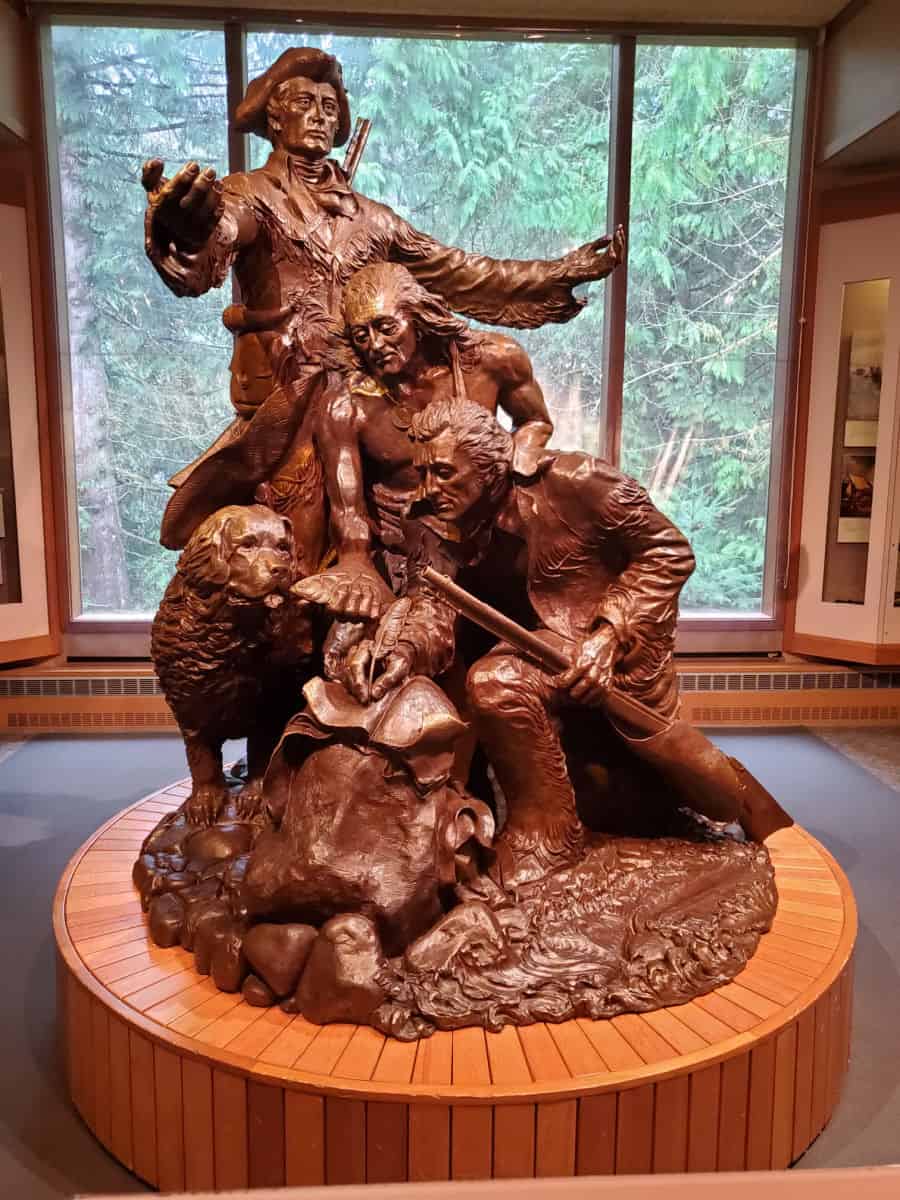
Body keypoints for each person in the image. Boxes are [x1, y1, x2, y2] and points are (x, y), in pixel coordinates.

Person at [140, 46, 624, 555]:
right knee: (296, 547)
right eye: (304, 102)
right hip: (290, 408)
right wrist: (187, 230)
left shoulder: (371, 217)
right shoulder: (248, 194)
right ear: (275, 117)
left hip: (368, 404)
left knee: (401, 539)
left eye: (329, 107)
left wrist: (558, 272)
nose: (319, 116)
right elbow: (218, 230)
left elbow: (459, 271)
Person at [342, 398, 788, 887]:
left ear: (490, 465)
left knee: (678, 790)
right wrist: (401, 651)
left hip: (615, 656)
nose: (431, 489)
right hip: (525, 658)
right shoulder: (427, 519)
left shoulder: (576, 482)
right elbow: (432, 605)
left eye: (446, 473)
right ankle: (545, 839)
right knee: (495, 683)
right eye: (424, 473)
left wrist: (609, 634)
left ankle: (738, 794)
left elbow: (667, 551)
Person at [318, 261, 554, 612]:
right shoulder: (346, 408)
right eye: (362, 336)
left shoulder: (494, 360)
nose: (376, 344)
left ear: (416, 315)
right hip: (408, 556)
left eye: (386, 327)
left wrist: (510, 470)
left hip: (495, 535)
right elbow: (348, 513)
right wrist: (356, 564)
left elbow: (535, 422)